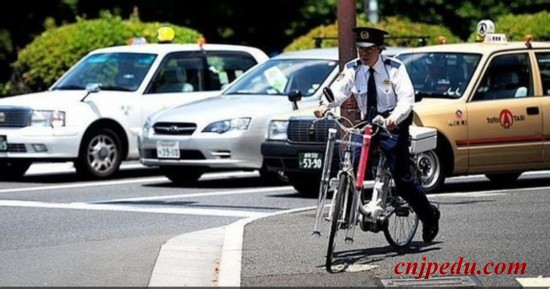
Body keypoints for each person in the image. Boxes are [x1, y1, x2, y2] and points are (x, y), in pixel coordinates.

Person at [313, 27, 440, 243]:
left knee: (401, 178)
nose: (363, 54)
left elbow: (406, 100)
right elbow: (338, 90)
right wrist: (324, 105)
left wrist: (394, 119)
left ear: (380, 49)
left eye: (369, 49)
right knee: (350, 164)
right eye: (360, 49)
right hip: (369, 121)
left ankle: (429, 215)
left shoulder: (394, 69)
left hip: (393, 122)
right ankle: (349, 213)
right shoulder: (353, 68)